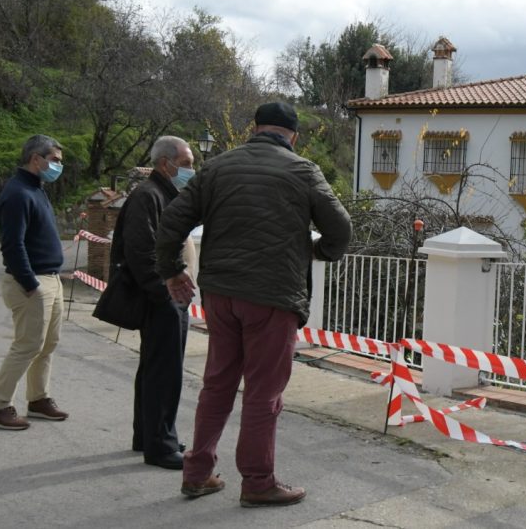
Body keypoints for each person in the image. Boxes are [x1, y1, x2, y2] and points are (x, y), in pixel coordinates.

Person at [155, 102, 351, 506]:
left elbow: (171, 223)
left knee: (217, 384)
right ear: (293, 135)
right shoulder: (302, 170)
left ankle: (197, 472)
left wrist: (173, 272)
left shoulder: (216, 168)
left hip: (221, 295)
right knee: (263, 393)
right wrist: (320, 251)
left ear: (255, 128)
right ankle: (258, 481)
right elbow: (341, 228)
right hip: (274, 297)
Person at [111, 136, 195, 469]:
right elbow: (142, 251)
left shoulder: (162, 194)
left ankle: (148, 435)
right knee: (164, 372)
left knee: (155, 368)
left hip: (168, 296)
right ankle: (160, 445)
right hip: (163, 297)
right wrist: (166, 292)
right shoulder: (148, 196)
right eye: (186, 163)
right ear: (166, 163)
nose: (191, 169)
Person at [0, 135, 70, 430]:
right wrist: (30, 284)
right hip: (32, 283)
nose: (59, 165)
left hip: (50, 279)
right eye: (55, 160)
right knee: (27, 345)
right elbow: (12, 245)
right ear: (36, 159)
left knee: (47, 345)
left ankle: (38, 400)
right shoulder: (18, 193)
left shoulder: (36, 189)